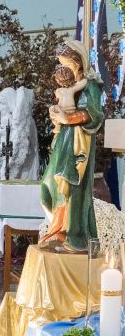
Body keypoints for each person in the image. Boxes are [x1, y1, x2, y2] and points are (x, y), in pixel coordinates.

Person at [40, 41, 104, 252]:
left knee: (72, 189)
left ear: (77, 61)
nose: (64, 68)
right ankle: (58, 230)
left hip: (79, 144)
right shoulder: (69, 84)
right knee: (48, 185)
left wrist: (67, 118)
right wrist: (56, 115)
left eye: (66, 63)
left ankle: (74, 238)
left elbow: (94, 114)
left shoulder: (91, 84)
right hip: (64, 140)